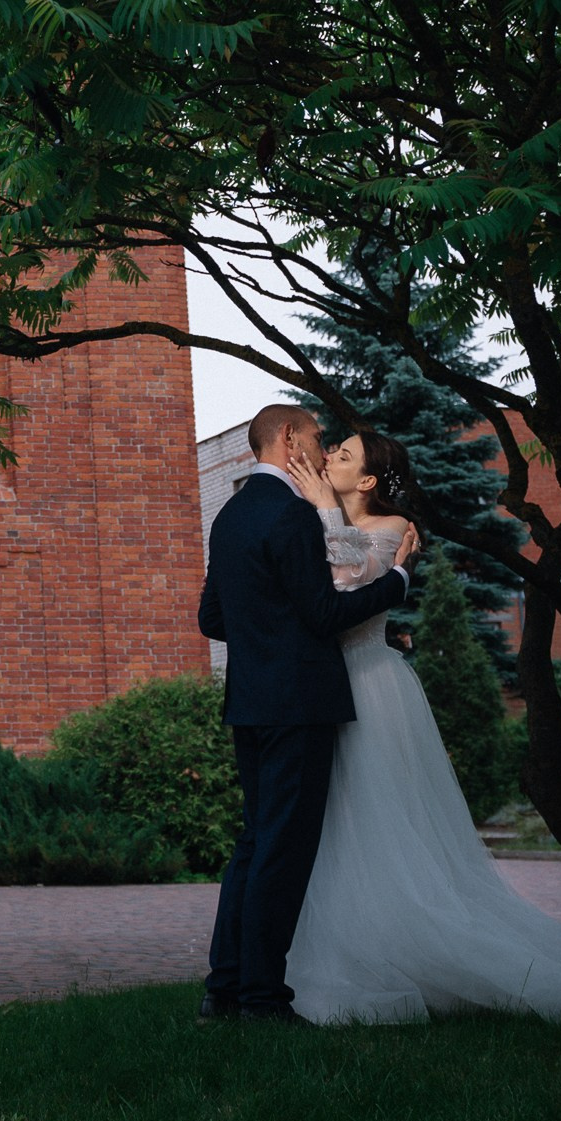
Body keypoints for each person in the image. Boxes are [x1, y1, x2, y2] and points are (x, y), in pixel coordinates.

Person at [282, 429, 561, 1024]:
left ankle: (434, 957)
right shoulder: (318, 518)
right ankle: (354, 951)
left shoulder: (391, 530)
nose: (329, 456)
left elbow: (351, 586)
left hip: (371, 686)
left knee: (379, 820)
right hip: (327, 681)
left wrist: (323, 509)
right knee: (337, 823)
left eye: (344, 455)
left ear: (370, 481)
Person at [197, 404, 418, 1021]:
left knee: (253, 845)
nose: (324, 449)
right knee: (283, 853)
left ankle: (225, 988)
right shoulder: (294, 514)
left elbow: (212, 618)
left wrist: (267, 634)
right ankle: (265, 1000)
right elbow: (325, 613)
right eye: (319, 437)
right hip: (298, 704)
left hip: (249, 702)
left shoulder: (232, 514)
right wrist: (397, 580)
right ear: (288, 437)